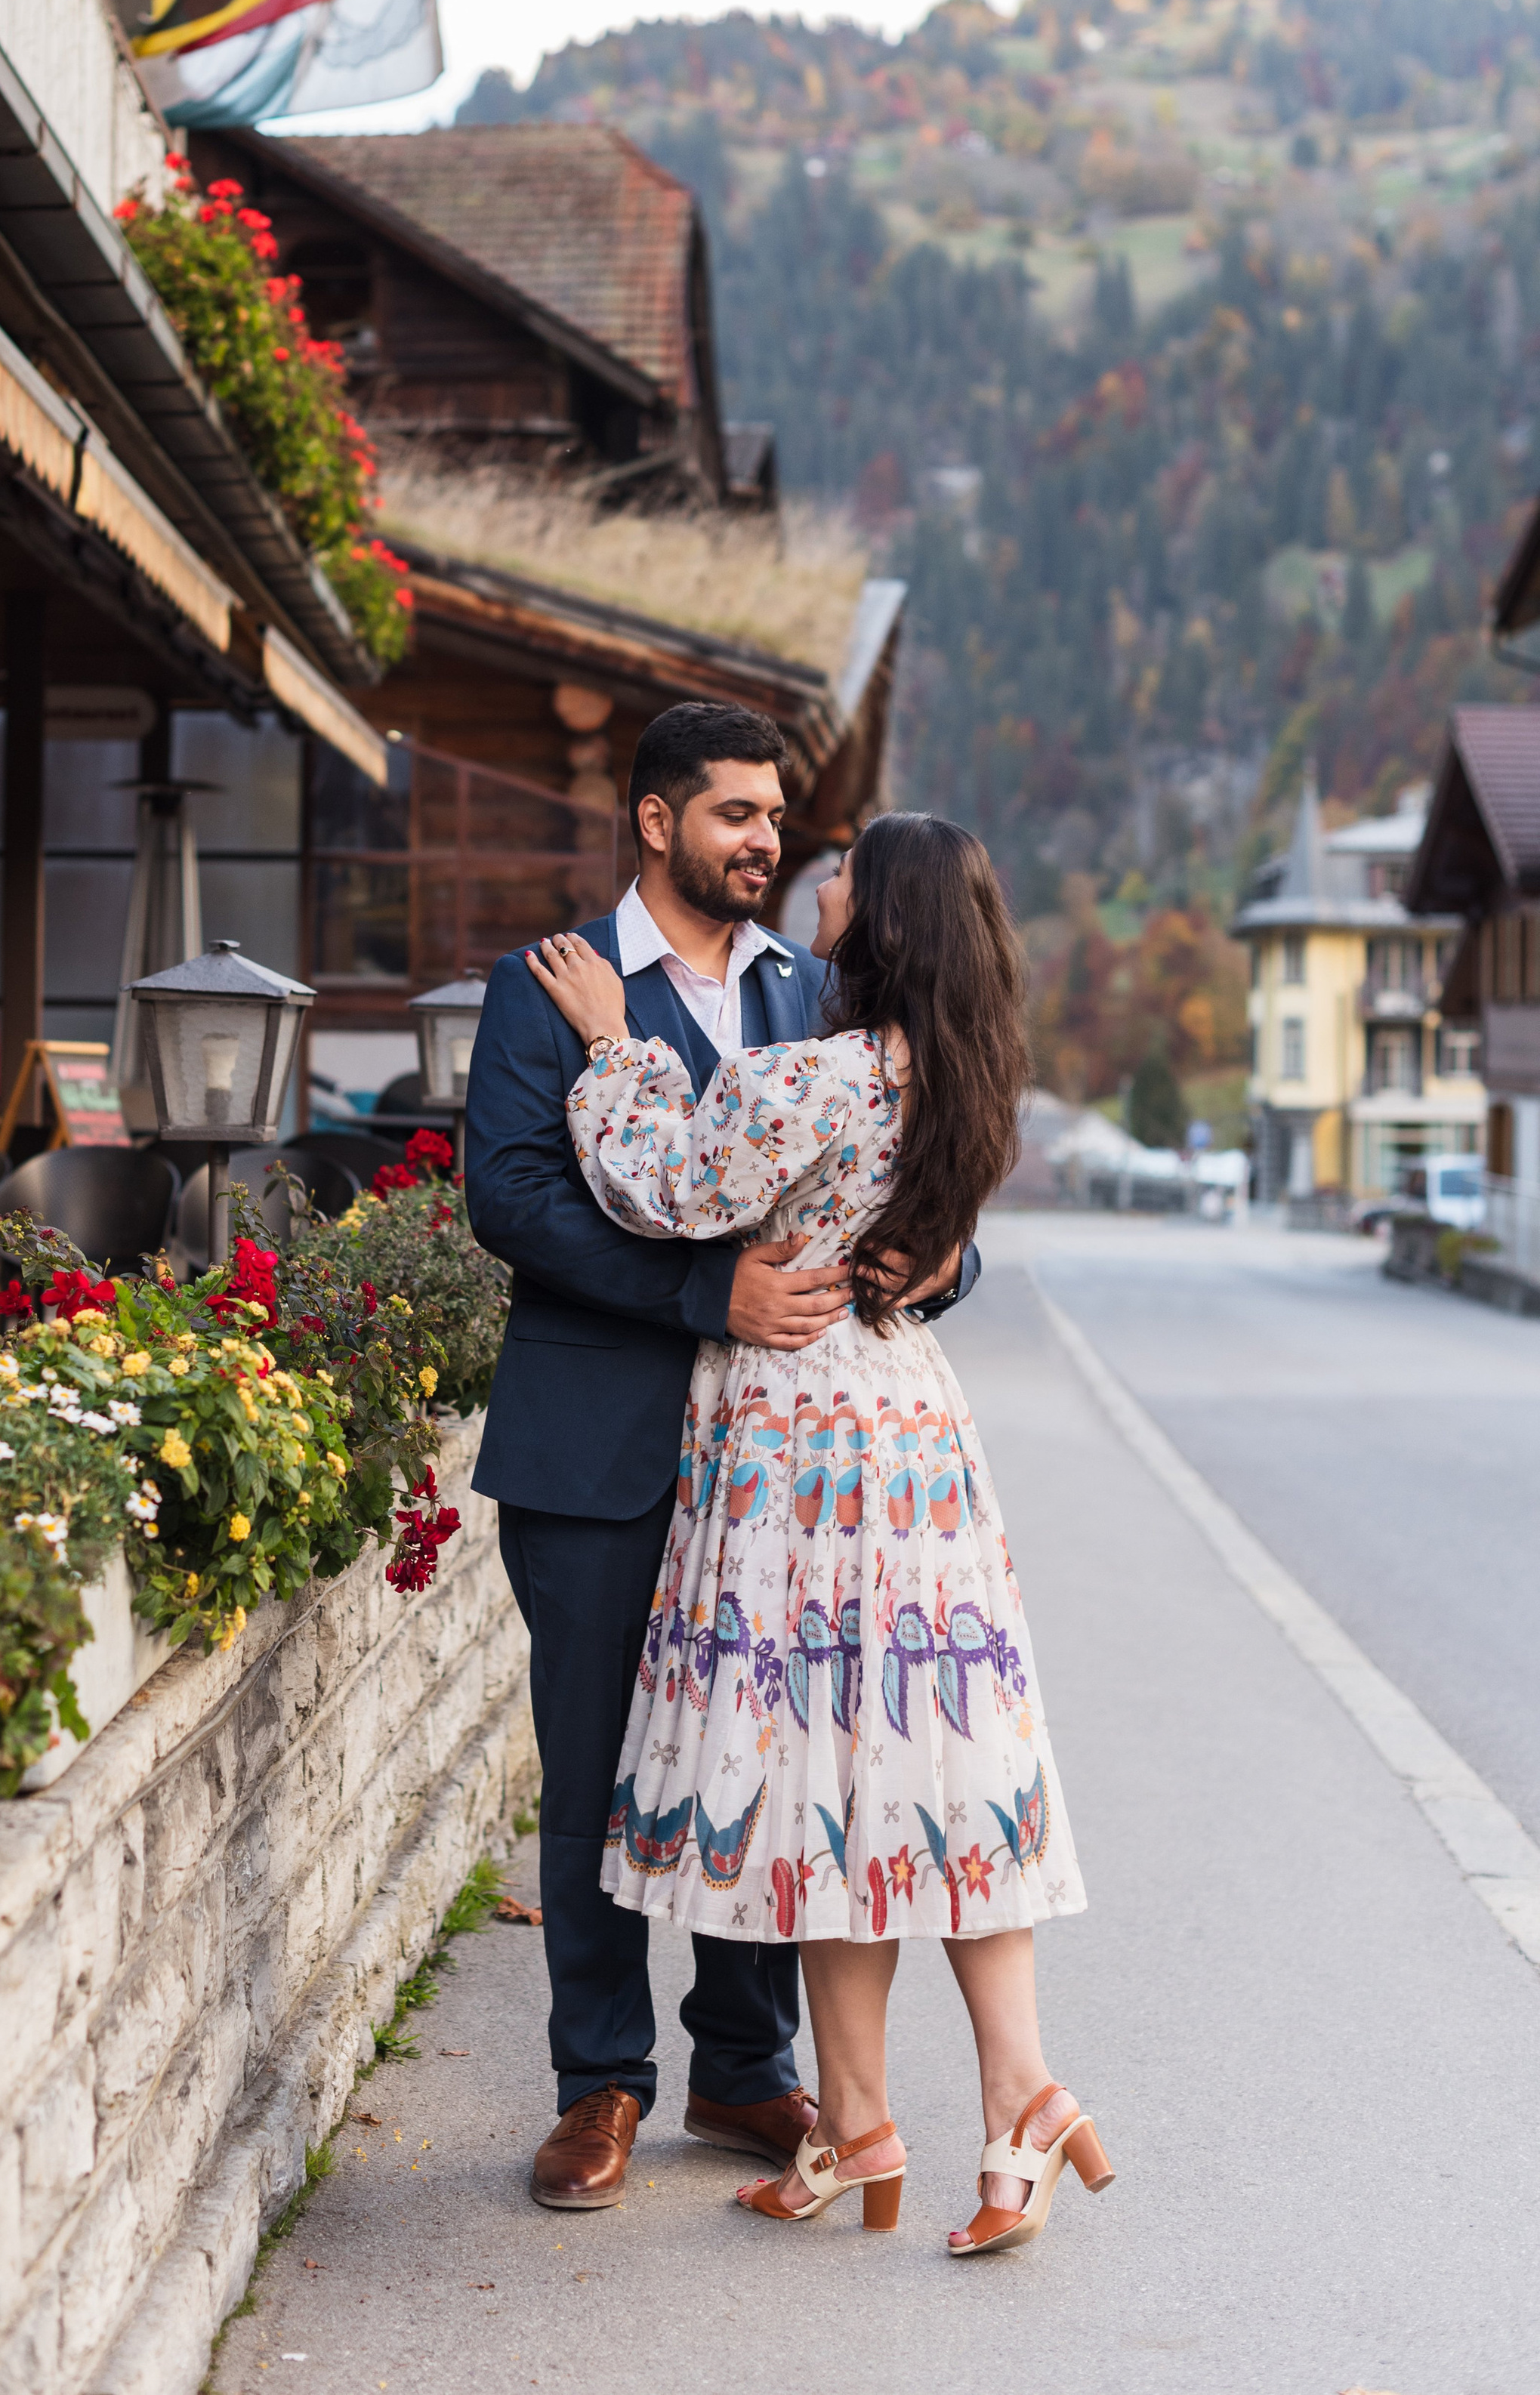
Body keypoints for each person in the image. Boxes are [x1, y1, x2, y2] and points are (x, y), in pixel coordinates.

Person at [523, 810, 1112, 2255]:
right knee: (907, 1755)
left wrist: (612, 1037)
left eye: (844, 872)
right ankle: (916, 2115)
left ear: (885, 920)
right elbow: (937, 1246)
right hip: (912, 1437)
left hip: (798, 1442)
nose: (816, 880)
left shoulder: (820, 1076)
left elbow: (661, 1179)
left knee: (811, 1760)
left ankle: (897, 2115)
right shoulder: (970, 1081)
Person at [464, 703, 979, 2212]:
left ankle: (741, 2067)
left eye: (775, 819)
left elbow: (920, 1182)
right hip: (598, 1449)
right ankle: (598, 2084)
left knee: (768, 1758)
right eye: (734, 816)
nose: (765, 840)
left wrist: (926, 1272)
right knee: (592, 1776)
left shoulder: (827, 992)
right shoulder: (549, 988)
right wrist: (709, 1295)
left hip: (791, 1476)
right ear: (654, 820)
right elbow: (513, 1201)